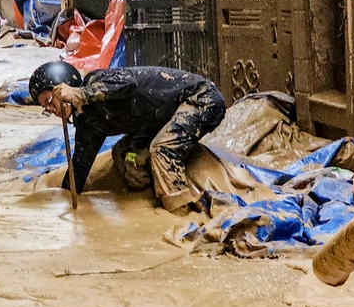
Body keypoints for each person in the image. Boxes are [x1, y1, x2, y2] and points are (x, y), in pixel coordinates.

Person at [29, 62, 226, 213]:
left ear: (65, 87)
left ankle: (180, 211)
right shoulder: (87, 121)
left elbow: (127, 84)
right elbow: (80, 166)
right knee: (123, 153)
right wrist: (63, 199)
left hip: (201, 100)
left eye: (50, 101)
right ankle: (146, 197)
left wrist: (81, 93)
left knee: (161, 149)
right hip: (163, 118)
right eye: (46, 108)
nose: (51, 109)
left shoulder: (97, 81)